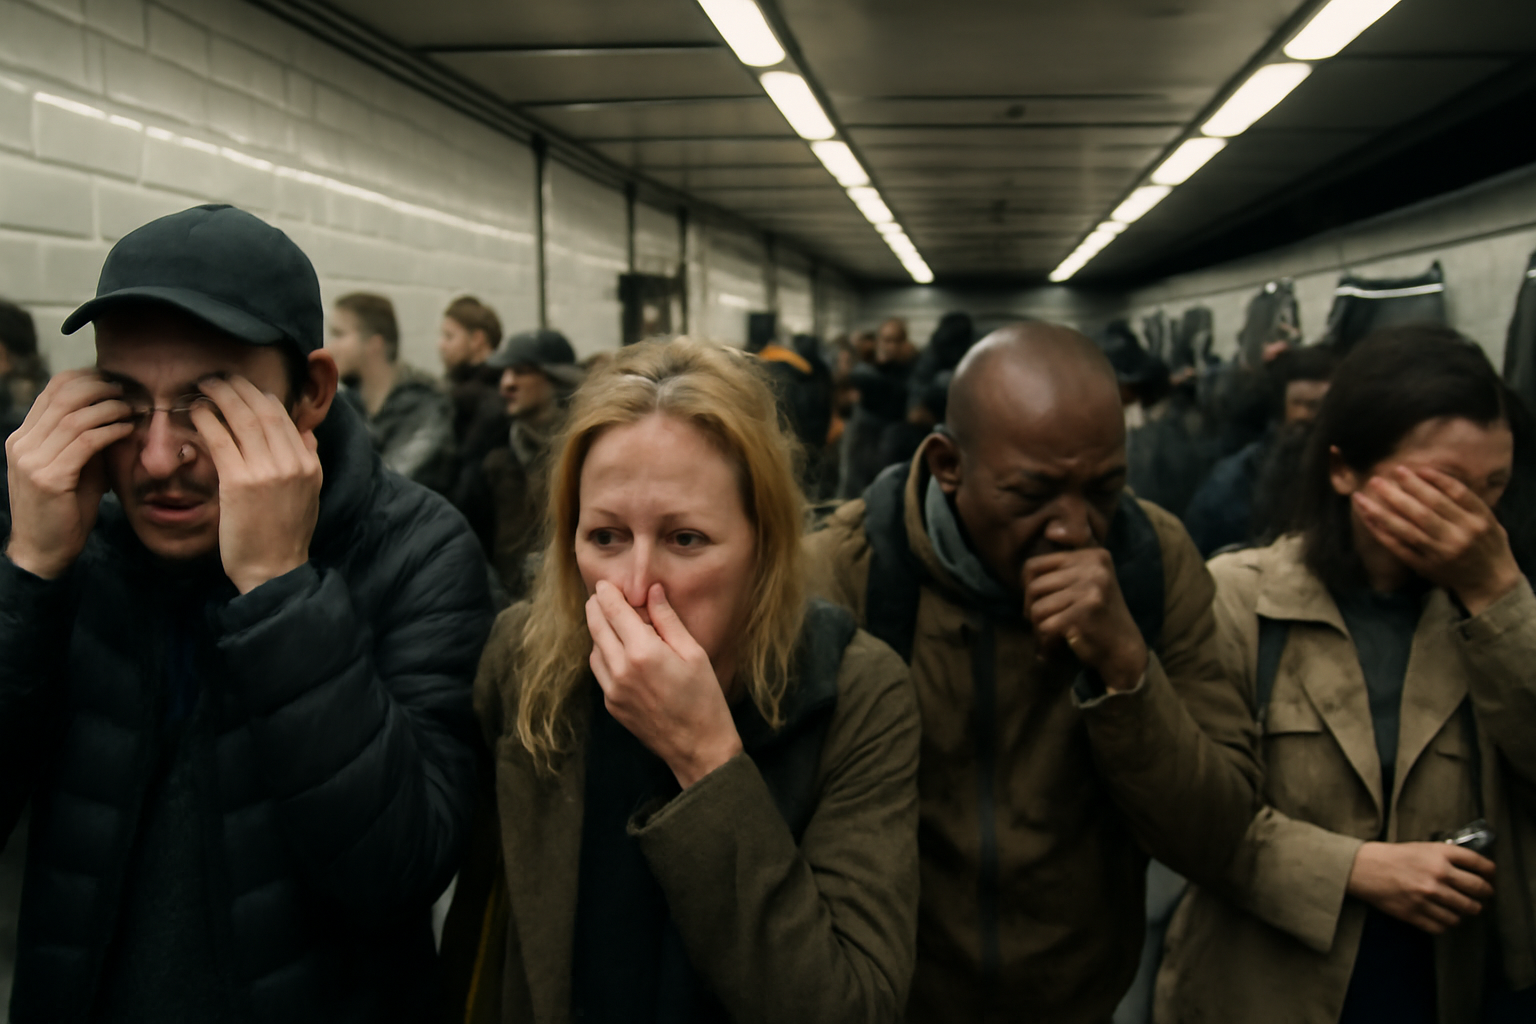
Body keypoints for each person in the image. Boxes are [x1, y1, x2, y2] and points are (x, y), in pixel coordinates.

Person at [0, 204, 493, 1022]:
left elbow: (398, 874)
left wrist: (279, 588)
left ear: (312, 394)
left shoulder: (418, 550)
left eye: (210, 405)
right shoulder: (67, 534)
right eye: (125, 402)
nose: (159, 459)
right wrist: (32, 576)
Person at [453, 337, 920, 1022]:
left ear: (761, 544)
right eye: (606, 538)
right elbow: (484, 930)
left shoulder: (859, 693)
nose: (637, 588)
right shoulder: (525, 661)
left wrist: (706, 762)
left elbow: (851, 1005)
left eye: (686, 540)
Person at [805, 322, 1260, 1023]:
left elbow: (1216, 837)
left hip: (1078, 1000)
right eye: (1032, 494)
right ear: (948, 464)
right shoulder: (845, 576)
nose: (1073, 529)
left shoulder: (1155, 564)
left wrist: (1126, 673)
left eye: (1103, 489)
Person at [1155, 327, 1536, 1024]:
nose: (1476, 521)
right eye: (1444, 489)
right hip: (1264, 988)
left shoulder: (1506, 608)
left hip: (1448, 987)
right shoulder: (1241, 598)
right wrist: (1355, 869)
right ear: (1345, 471)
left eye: (1494, 487)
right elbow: (1194, 817)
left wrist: (1498, 598)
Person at [1184, 344, 1337, 556]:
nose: (1308, 417)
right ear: (1280, 407)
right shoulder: (1233, 484)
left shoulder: (1350, 474)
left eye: (1319, 406)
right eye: (1300, 404)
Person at [479, 328, 582, 598]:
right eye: (504, 372)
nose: (507, 384)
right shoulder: (494, 458)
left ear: (556, 379)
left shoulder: (588, 453)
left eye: (521, 371)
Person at [327, 291, 456, 490]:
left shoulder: (427, 406)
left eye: (339, 334)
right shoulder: (346, 404)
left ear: (374, 344)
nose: (331, 347)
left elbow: (391, 484)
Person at [440, 296, 510, 540]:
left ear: (477, 339)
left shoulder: (489, 397)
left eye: (449, 336)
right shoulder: (457, 391)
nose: (441, 345)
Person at [839, 318, 918, 499]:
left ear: (904, 343)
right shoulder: (869, 369)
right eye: (886, 340)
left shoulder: (912, 371)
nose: (890, 346)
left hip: (893, 455)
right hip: (864, 451)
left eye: (896, 341)